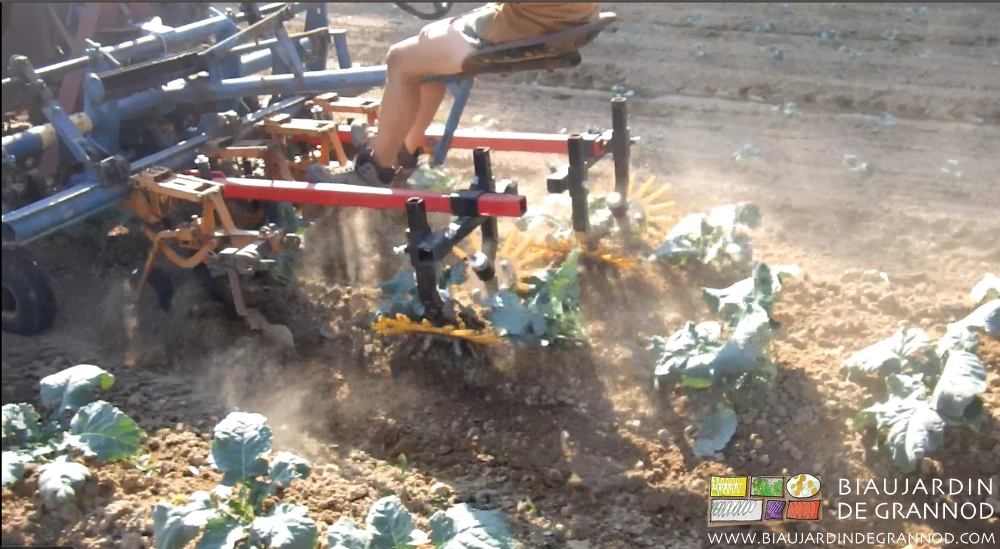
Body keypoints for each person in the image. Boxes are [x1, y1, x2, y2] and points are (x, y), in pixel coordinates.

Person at [314, 3, 601, 187]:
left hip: (528, 24)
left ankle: (375, 169)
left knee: (400, 60)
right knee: (426, 53)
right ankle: (403, 151)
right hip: (565, 17)